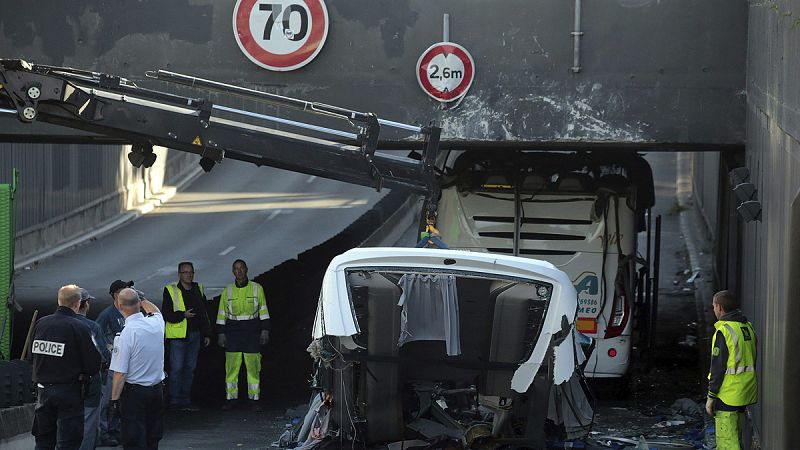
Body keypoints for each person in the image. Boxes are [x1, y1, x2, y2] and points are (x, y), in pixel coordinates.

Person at [30, 284, 102, 450]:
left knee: (43, 440)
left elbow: (31, 357)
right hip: (69, 394)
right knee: (68, 442)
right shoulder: (79, 327)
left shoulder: (41, 324)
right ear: (77, 303)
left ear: (59, 301)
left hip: (43, 393)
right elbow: (93, 364)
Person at [109, 288, 166, 449]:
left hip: (134, 395)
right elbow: (155, 311)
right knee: (152, 438)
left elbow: (120, 373)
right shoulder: (156, 324)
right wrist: (142, 298)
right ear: (139, 304)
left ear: (119, 305)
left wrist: (114, 401)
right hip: (156, 391)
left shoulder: (125, 335)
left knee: (134, 440)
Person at [706, 290, 758, 450]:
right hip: (745, 392)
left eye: (714, 306)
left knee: (727, 443)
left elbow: (718, 368)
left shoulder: (724, 332)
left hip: (727, 394)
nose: (714, 310)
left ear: (720, 307)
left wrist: (711, 396)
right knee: (736, 437)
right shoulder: (747, 328)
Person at [216, 259, 271, 411]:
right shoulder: (227, 291)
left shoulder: (257, 288)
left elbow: (264, 311)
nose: (239, 272)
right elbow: (221, 314)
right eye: (236, 269)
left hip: (252, 332)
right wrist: (221, 333)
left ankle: (254, 400)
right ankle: (231, 400)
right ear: (232, 271)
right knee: (231, 369)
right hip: (232, 333)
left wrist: (265, 330)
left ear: (247, 270)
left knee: (253, 369)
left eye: (241, 269)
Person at [162, 261, 212, 411]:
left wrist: (207, 333)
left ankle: (185, 400)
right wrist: (183, 315)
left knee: (190, 369)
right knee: (177, 368)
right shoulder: (170, 290)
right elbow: (166, 314)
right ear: (179, 274)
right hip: (178, 337)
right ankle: (174, 401)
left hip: (195, 335)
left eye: (191, 272)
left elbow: (204, 313)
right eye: (185, 272)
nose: (188, 275)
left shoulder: (198, 289)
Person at [95, 279, 132, 446]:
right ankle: (104, 433)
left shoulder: (128, 312)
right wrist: (107, 355)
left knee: (121, 400)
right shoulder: (107, 314)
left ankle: (116, 430)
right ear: (116, 294)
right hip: (111, 367)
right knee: (108, 400)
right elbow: (95, 336)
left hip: (125, 366)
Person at [75, 288, 111, 450]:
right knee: (89, 422)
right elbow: (102, 355)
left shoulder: (51, 323)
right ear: (85, 305)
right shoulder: (92, 327)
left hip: (62, 382)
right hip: (89, 383)